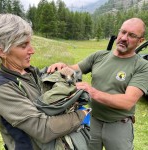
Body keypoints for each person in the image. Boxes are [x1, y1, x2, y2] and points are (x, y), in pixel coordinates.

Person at [48, 18, 148, 150]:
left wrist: (93, 92)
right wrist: (62, 66)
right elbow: (74, 69)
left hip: (118, 126)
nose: (124, 38)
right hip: (92, 121)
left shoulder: (142, 66)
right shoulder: (99, 56)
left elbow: (128, 101)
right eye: (123, 32)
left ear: (140, 41)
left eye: (131, 35)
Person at [0, 13, 90, 150]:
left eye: (30, 43)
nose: (32, 51)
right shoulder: (3, 87)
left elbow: (44, 85)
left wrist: (60, 69)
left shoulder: (30, 72)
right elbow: (43, 129)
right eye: (23, 46)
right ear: (2, 52)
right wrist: (83, 114)